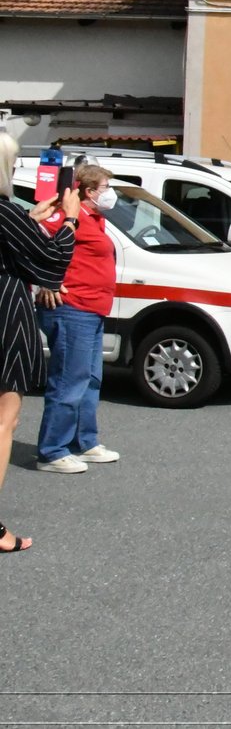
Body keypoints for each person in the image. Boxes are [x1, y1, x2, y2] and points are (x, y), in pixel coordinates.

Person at [0, 133, 79, 551]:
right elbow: (51, 258)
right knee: (4, 421)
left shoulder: (12, 216)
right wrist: (70, 219)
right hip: (4, 313)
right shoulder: (3, 210)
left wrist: (29, 220)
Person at [36, 163, 121, 474]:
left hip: (93, 309)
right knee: (69, 382)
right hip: (73, 309)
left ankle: (84, 442)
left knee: (90, 381)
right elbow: (37, 244)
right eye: (105, 188)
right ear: (88, 191)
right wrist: (48, 280)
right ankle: (51, 450)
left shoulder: (95, 219)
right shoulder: (66, 217)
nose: (110, 194)